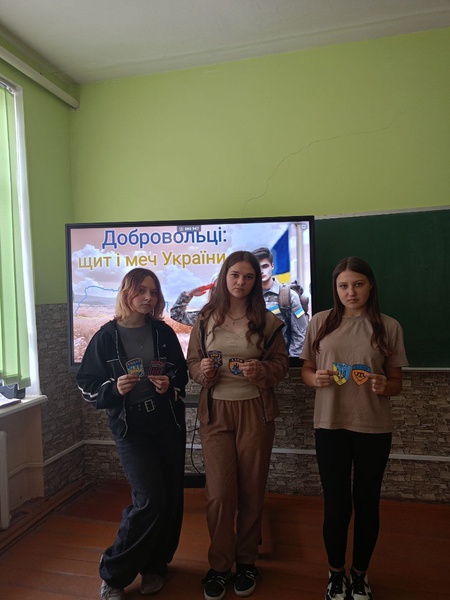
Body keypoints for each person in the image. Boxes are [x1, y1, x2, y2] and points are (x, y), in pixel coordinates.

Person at [76, 268, 188, 600]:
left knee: (170, 499)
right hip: (131, 427)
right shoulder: (106, 336)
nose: (148, 298)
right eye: (142, 291)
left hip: (167, 423)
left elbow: (181, 374)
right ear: (127, 293)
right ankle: (113, 575)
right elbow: (86, 384)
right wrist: (114, 388)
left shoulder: (163, 332)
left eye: (153, 292)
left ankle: (155, 566)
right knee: (150, 499)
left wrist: (169, 384)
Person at [300, 257, 408, 600]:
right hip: (329, 424)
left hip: (373, 427)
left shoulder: (388, 326)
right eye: (343, 285)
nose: (351, 292)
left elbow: (396, 383)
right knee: (336, 505)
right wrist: (314, 379)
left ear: (370, 285)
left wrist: (385, 386)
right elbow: (306, 370)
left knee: (367, 503)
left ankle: (360, 575)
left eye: (358, 284)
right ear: (335, 288)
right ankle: (336, 573)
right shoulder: (320, 322)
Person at [187, 251, 289, 600]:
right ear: (224, 276)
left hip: (255, 411)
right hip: (216, 412)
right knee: (219, 494)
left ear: (256, 281)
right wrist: (202, 371)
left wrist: (263, 371)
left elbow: (281, 366)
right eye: (235, 275)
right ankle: (219, 565)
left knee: (251, 490)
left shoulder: (269, 321)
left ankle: (246, 562)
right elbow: (192, 363)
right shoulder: (205, 318)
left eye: (248, 276)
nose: (241, 282)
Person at [252, 247, 308, 355]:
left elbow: (301, 334)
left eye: (265, 266)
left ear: (272, 266)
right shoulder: (247, 297)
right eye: (257, 267)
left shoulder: (289, 296)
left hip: (280, 359)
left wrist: (291, 361)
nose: (261, 271)